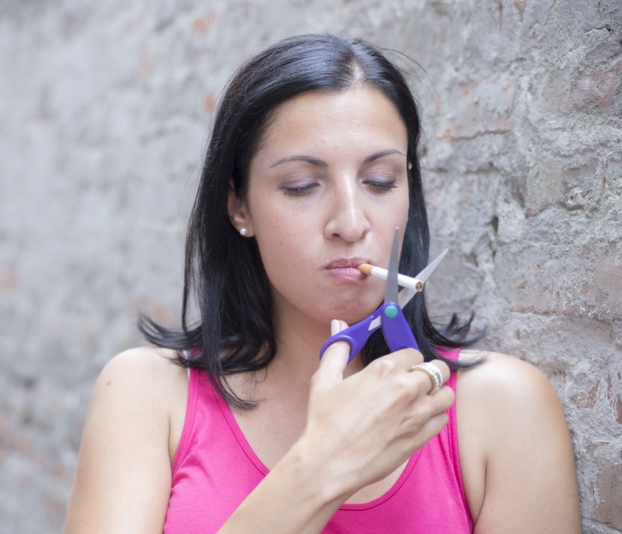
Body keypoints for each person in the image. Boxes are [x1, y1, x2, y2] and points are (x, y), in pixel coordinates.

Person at [64, 34, 581, 533]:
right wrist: (317, 469)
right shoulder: (147, 394)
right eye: (302, 186)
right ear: (239, 206)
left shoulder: (504, 408)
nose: (350, 223)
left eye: (380, 181)